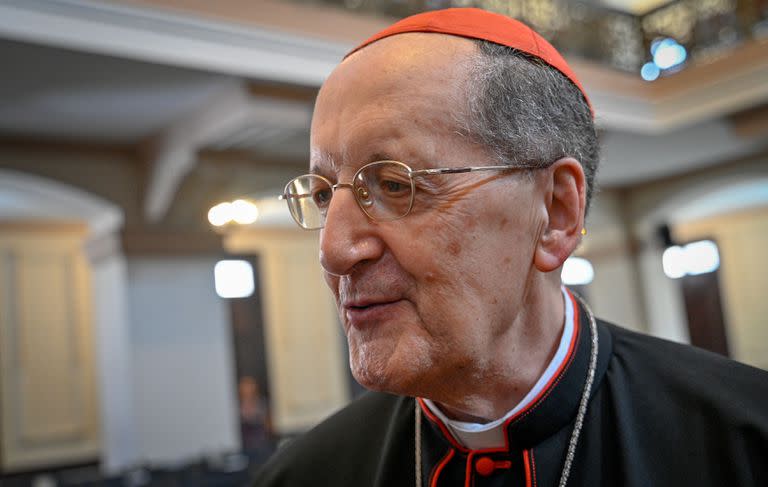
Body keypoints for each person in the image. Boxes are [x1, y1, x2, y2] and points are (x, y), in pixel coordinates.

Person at [254, 7, 768, 486]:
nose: (334, 251)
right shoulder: (304, 475)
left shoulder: (744, 442)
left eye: (395, 184)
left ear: (554, 214)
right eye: (324, 196)